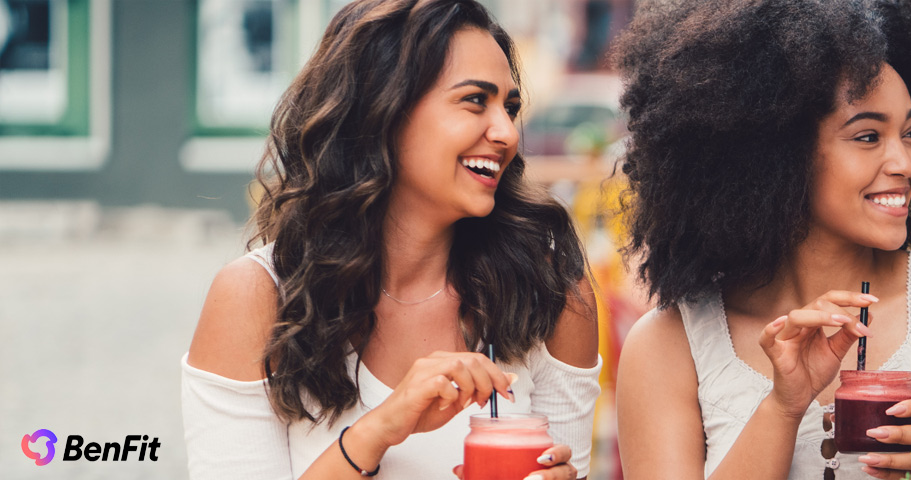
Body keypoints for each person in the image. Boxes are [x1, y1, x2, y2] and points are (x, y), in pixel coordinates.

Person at [610, 1, 911, 479]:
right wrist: (782, 408)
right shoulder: (670, 346)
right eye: (868, 136)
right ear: (774, 155)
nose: (905, 163)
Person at [180, 1, 601, 479]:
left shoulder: (550, 296)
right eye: (474, 101)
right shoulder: (258, 298)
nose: (505, 132)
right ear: (385, 109)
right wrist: (380, 429)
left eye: (509, 107)